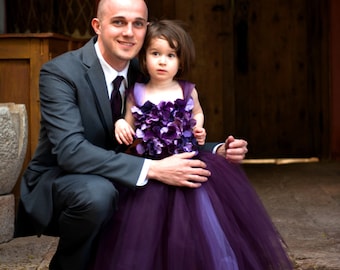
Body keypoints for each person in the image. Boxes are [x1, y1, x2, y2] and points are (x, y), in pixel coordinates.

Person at [14, 1, 248, 270]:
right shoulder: (61, 72)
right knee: (99, 194)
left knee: (183, 192)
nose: (129, 32)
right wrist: (153, 169)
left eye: (137, 23)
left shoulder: (148, 74)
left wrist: (217, 149)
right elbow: (70, 152)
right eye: (118, 22)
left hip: (123, 172)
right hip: (66, 179)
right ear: (97, 26)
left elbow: (164, 141)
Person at [90, 19, 293, 270]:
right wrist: (121, 124)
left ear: (181, 61)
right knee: (147, 230)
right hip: (154, 168)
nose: (163, 61)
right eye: (155, 54)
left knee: (201, 227)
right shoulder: (137, 92)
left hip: (189, 164)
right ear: (144, 59)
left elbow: (197, 113)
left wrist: (198, 126)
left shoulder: (187, 90)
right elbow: (129, 124)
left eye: (170, 55)